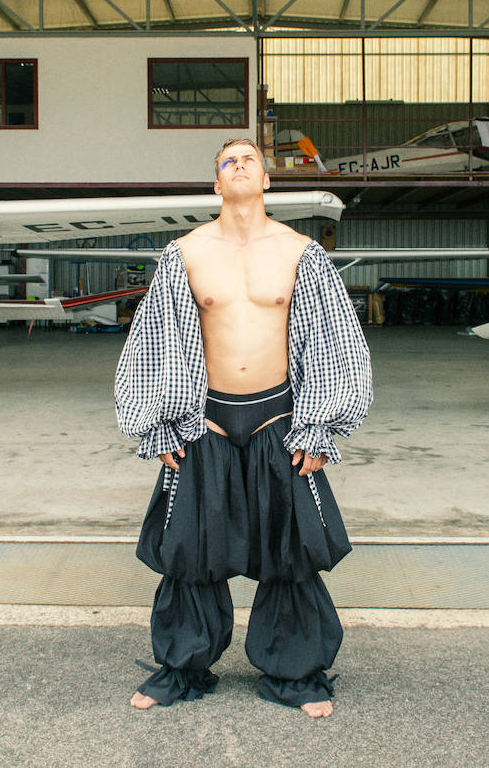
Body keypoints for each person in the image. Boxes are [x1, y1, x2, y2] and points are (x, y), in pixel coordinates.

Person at [115, 138, 373, 719]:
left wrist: (320, 427)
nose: (239, 164)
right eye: (227, 160)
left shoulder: (300, 251)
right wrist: (158, 425)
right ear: (215, 184)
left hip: (280, 418)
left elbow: (337, 344)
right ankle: (181, 668)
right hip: (203, 419)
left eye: (249, 158)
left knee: (291, 552)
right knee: (190, 550)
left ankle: (297, 674)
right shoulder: (184, 252)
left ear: (266, 180)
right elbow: (151, 345)